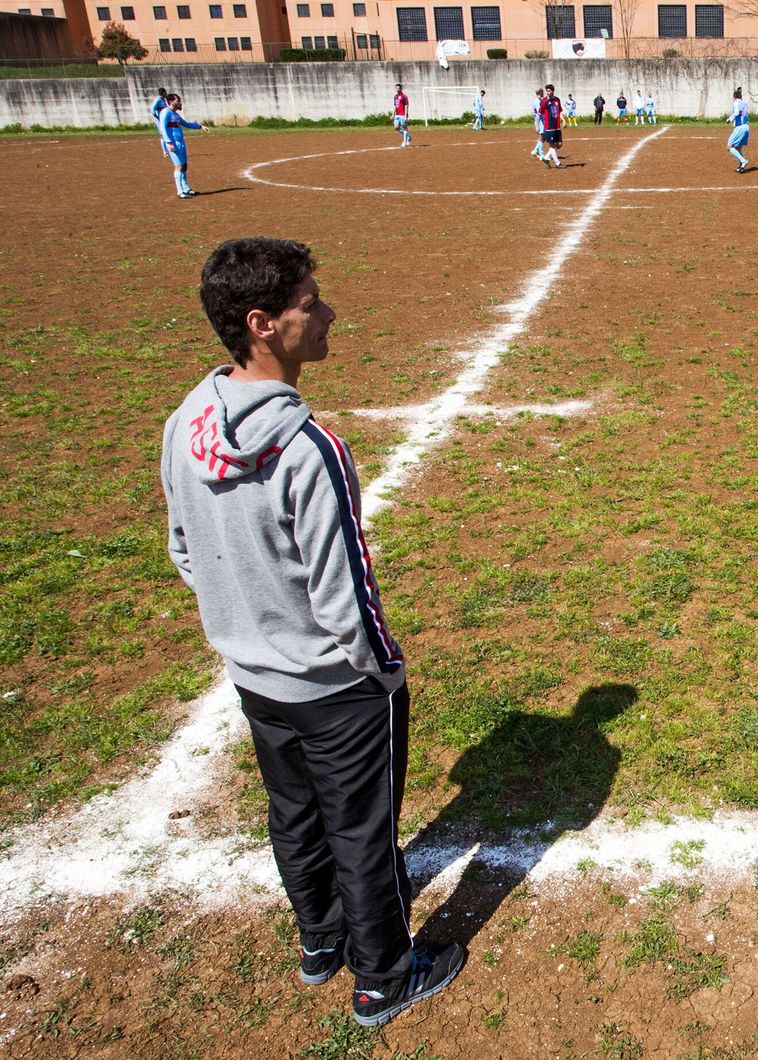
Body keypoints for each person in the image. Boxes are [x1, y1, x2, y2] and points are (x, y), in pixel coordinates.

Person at [162, 237, 467, 1029]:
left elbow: (184, 550)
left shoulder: (186, 420)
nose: (328, 313)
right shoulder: (309, 450)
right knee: (363, 833)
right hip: (335, 687)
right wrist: (384, 670)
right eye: (310, 303)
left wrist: (245, 619)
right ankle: (383, 979)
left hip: (255, 678)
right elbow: (344, 596)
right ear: (263, 324)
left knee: (292, 811)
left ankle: (319, 941)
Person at [158, 93, 206, 199]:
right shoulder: (165, 112)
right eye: (178, 101)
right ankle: (180, 192)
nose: (180, 103)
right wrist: (169, 142)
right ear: (171, 102)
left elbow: (186, 123)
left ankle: (186, 188)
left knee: (184, 165)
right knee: (178, 166)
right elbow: (163, 128)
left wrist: (200, 126)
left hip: (181, 143)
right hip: (173, 144)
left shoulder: (175, 114)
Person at [539, 83, 565, 169]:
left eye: (549, 91)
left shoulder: (557, 100)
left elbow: (559, 111)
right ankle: (557, 164)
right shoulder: (544, 101)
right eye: (547, 91)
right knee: (552, 145)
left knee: (560, 144)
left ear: (553, 91)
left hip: (557, 126)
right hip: (549, 127)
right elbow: (539, 114)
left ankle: (546, 158)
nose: (548, 93)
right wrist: (537, 126)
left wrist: (563, 120)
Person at [727, 86, 751, 173]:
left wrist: (730, 119)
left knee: (729, 147)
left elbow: (736, 113)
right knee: (738, 148)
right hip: (746, 127)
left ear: (734, 97)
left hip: (740, 128)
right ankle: (741, 166)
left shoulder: (736, 103)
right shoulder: (744, 103)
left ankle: (743, 161)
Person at [391, 83, 411, 148]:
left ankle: (405, 142)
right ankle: (408, 136)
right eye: (396, 88)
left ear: (401, 88)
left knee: (405, 128)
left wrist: (405, 116)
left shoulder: (404, 96)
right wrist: (393, 114)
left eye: (399, 88)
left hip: (403, 115)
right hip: (397, 115)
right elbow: (395, 106)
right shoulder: (395, 96)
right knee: (396, 127)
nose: (397, 89)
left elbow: (406, 106)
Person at [529, 88, 546, 161]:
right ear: (540, 93)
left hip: (541, 120)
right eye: (542, 92)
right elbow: (540, 111)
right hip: (540, 121)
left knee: (544, 137)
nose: (544, 93)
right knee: (541, 137)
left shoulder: (539, 100)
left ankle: (535, 150)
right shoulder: (537, 101)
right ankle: (541, 155)